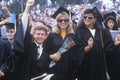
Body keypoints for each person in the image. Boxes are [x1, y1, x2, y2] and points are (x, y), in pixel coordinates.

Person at [75, 7, 114, 80]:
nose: (87, 19)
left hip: (100, 68)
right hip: (86, 69)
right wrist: (88, 47)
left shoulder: (103, 32)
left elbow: (109, 49)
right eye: (85, 17)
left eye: (90, 17)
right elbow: (76, 52)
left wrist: (115, 44)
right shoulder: (79, 33)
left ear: (95, 19)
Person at [45, 7, 78, 80]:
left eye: (66, 20)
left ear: (69, 21)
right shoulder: (51, 35)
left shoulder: (73, 36)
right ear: (57, 21)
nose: (63, 22)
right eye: (60, 20)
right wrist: (51, 56)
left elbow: (76, 54)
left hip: (69, 71)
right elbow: (45, 52)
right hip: (55, 69)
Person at [104, 12, 120, 80]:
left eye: (112, 22)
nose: (111, 24)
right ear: (106, 23)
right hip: (108, 55)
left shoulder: (118, 32)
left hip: (116, 55)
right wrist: (114, 44)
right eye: (109, 22)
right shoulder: (104, 32)